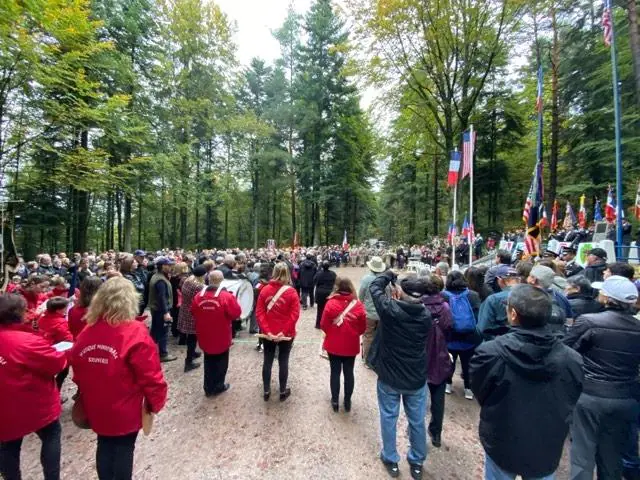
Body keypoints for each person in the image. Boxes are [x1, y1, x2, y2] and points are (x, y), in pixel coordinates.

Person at [470, 284, 583, 480]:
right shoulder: (572, 359)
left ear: (513, 314)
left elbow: (481, 390)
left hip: (502, 436)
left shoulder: (489, 353)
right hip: (546, 441)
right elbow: (572, 394)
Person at [70, 277, 168, 480]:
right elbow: (150, 374)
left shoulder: (88, 331)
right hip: (125, 403)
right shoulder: (134, 332)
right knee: (124, 447)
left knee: (104, 443)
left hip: (96, 401)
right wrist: (155, 402)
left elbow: (77, 367)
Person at [564, 275, 640, 480]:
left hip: (589, 395)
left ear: (607, 298)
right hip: (626, 397)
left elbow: (566, 351)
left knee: (582, 453)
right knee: (613, 454)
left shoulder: (589, 322)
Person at [368, 271, 431, 480]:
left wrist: (387, 274)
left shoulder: (390, 310)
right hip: (415, 376)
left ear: (400, 292)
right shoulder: (426, 316)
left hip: (390, 376)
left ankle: (391, 457)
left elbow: (374, 288)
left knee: (389, 417)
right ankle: (417, 460)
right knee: (417, 420)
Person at [0, 294, 67, 480]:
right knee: (51, 437)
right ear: (18, 314)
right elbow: (56, 363)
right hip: (35, 404)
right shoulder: (27, 341)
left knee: (7, 446)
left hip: (4, 407)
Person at [191, 270, 241, 396]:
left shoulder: (198, 296)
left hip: (205, 334)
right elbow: (236, 313)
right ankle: (218, 385)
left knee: (208, 361)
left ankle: (208, 387)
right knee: (221, 361)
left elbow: (193, 311)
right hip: (221, 335)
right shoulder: (226, 296)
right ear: (222, 280)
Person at [256, 262, 301, 402]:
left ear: (273, 272)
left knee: (267, 361)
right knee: (283, 360)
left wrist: (267, 331)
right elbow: (294, 315)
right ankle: (282, 391)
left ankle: (266, 390)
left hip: (268, 333)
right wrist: (284, 331)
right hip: (285, 334)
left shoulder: (265, 290)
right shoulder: (292, 292)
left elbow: (259, 313)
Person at [320, 277, 367, 412]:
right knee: (349, 372)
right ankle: (347, 401)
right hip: (350, 344)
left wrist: (331, 332)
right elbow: (362, 328)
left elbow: (323, 324)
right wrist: (353, 333)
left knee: (335, 372)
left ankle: (335, 400)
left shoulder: (330, 303)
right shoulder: (358, 305)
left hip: (334, 343)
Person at [420, 274, 453, 448]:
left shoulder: (419, 306)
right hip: (439, 353)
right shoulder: (445, 307)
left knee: (418, 397)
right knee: (438, 398)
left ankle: (416, 430)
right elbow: (448, 327)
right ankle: (436, 432)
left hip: (421, 354)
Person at [443, 271, 481, 399]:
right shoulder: (473, 295)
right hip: (470, 337)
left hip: (450, 336)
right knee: (468, 362)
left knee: (449, 361)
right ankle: (468, 389)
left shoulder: (444, 295)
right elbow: (477, 316)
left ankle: (448, 384)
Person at [477, 266, 521, 340]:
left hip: (500, 345)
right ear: (518, 280)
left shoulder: (493, 300)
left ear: (500, 280)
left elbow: (482, 329)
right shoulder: (530, 295)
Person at [527, 265, 573, 335]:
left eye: (529, 275)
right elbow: (569, 322)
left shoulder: (526, 296)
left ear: (533, 280)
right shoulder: (561, 297)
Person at [358, 256, 387, 366]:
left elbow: (361, 295)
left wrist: (362, 305)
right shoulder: (384, 279)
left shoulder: (366, 279)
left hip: (368, 313)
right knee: (379, 336)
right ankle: (377, 358)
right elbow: (388, 295)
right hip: (381, 312)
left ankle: (367, 360)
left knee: (368, 336)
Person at [177, 265, 207, 372]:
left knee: (191, 336)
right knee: (192, 337)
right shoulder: (199, 286)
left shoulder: (187, 280)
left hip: (185, 309)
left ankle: (193, 353)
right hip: (193, 313)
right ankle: (188, 362)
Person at [148, 257, 177, 362]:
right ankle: (163, 354)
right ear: (162, 266)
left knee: (155, 331)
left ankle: (149, 351)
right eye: (168, 265)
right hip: (161, 310)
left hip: (156, 309)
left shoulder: (156, 276)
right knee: (163, 331)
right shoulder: (160, 280)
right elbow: (162, 298)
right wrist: (166, 313)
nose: (170, 267)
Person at [314, 261, 337, 329]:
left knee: (320, 309)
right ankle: (328, 324)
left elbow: (315, 281)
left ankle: (318, 324)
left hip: (320, 292)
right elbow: (336, 282)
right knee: (329, 309)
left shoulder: (319, 273)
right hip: (329, 292)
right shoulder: (333, 274)